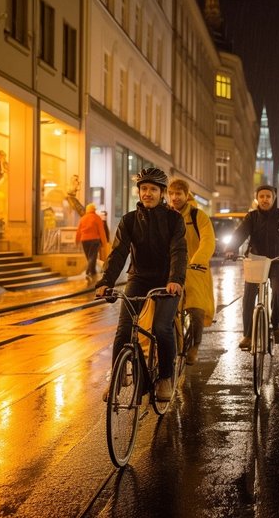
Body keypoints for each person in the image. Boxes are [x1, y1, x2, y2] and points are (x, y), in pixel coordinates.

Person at [94, 167, 186, 402]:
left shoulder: (174, 219)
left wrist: (175, 280)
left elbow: (178, 251)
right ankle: (118, 376)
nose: (147, 193)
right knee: (124, 329)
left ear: (162, 192)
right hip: (139, 278)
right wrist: (106, 281)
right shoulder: (129, 220)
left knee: (160, 328)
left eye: (153, 189)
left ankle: (165, 378)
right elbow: (118, 253)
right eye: (143, 189)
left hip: (167, 281)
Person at [225, 184, 279, 348]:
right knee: (249, 296)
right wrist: (231, 248)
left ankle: (277, 326)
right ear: (257, 198)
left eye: (268, 196)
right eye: (262, 196)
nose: (265, 199)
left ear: (274, 198)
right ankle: (248, 335)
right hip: (256, 260)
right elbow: (240, 233)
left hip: (278, 260)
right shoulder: (251, 217)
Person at [167, 178, 215, 363]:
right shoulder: (166, 215)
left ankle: (194, 345)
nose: (174, 197)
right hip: (172, 269)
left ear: (186, 195)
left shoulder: (198, 216)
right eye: (171, 194)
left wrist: (197, 261)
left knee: (196, 309)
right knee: (167, 308)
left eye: (178, 193)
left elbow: (208, 241)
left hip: (195, 269)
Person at [74, 202, 108, 282]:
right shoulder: (97, 218)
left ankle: (93, 273)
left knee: (89, 258)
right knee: (92, 257)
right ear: (94, 210)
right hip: (94, 240)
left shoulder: (83, 218)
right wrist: (104, 242)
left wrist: (76, 241)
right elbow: (101, 231)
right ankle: (88, 272)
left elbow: (78, 231)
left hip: (84, 241)